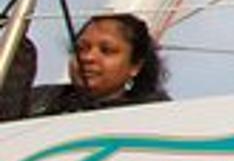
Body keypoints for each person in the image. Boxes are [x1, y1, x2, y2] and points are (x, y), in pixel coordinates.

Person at [26, 13, 169, 116]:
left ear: (135, 66)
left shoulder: (155, 116)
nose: (87, 57)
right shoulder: (37, 102)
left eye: (106, 51)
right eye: (81, 49)